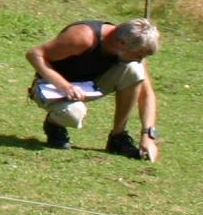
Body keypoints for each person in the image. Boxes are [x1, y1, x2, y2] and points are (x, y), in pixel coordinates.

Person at [25, 17, 159, 160]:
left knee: (136, 70)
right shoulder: (82, 37)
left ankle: (118, 137)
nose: (140, 60)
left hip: (87, 86)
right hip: (50, 87)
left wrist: (148, 135)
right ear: (121, 43)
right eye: (139, 55)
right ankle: (54, 125)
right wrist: (64, 86)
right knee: (74, 114)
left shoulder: (130, 44)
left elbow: (146, 94)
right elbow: (34, 54)